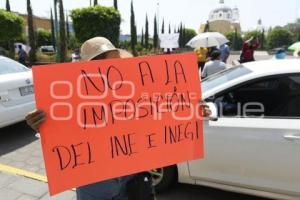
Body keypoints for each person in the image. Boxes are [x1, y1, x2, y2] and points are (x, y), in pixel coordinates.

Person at [25, 37, 155, 200]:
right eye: (106, 65)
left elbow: (159, 118)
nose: (115, 69)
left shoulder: (133, 92)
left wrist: (190, 108)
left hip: (130, 182)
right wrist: (41, 123)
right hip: (95, 187)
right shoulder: (69, 99)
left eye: (118, 63)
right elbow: (59, 135)